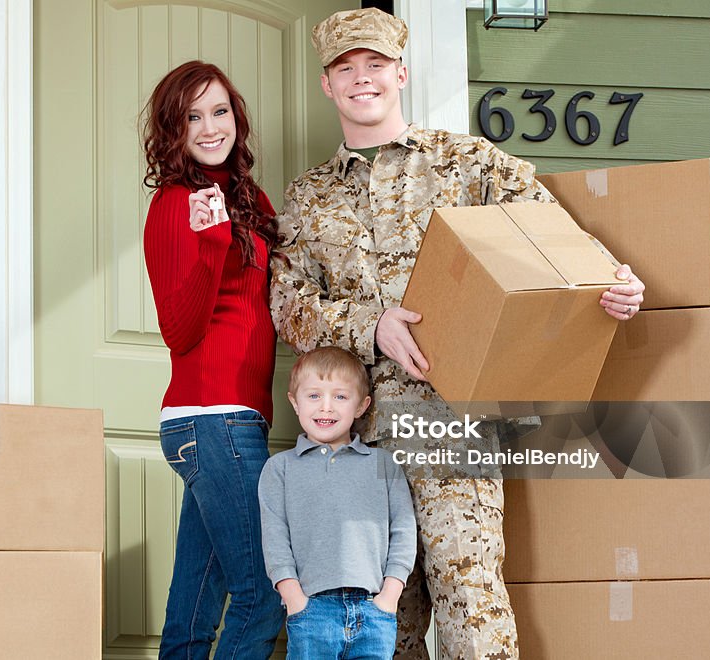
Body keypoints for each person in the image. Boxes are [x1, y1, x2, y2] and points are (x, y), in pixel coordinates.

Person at [269, 8, 646, 660]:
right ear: (328, 84)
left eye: (376, 65)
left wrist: (613, 281)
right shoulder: (308, 197)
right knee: (380, 613)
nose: (363, 79)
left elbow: (549, 237)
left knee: (468, 590)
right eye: (346, 68)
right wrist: (371, 325)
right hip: (354, 433)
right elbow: (288, 304)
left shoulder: (465, 162)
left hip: (451, 414)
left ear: (401, 73)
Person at [141, 60, 284, 659]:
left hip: (231, 419)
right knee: (265, 594)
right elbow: (179, 330)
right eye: (191, 117)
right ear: (172, 131)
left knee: (196, 604)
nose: (209, 127)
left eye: (219, 111)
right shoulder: (177, 204)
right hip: (213, 416)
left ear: (236, 118)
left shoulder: (248, 198)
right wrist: (213, 243)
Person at [258, 346, 417, 660]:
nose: (326, 408)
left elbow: (403, 529)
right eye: (314, 396)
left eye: (340, 397)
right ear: (294, 401)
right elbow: (275, 540)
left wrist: (390, 595)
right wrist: (294, 600)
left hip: (374, 611)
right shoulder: (280, 469)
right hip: (311, 612)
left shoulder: (383, 465)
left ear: (361, 406)